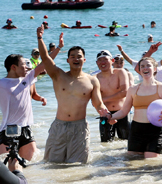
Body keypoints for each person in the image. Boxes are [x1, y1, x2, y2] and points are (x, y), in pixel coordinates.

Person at [37, 26, 110, 163]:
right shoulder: (58, 76)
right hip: (59, 127)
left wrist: (105, 113)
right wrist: (40, 38)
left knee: (77, 166)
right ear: (68, 60)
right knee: (52, 165)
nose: (76, 59)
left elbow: (98, 103)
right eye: (72, 57)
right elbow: (45, 58)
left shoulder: (92, 80)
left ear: (84, 60)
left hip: (80, 128)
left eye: (79, 57)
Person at [109, 57, 162, 158]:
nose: (145, 68)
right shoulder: (133, 89)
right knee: (132, 164)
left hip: (155, 131)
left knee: (150, 165)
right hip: (136, 131)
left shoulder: (161, 87)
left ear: (155, 68)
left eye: (148, 65)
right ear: (139, 70)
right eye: (142, 66)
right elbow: (124, 111)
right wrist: (110, 116)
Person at [1, 53, 53, 171]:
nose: (27, 67)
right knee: (5, 168)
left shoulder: (28, 78)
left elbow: (45, 61)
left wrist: (58, 47)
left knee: (30, 167)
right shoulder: (1, 84)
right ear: (13, 67)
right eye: (23, 65)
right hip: (7, 131)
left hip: (25, 129)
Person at [94, 50, 130, 142]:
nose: (103, 62)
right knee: (106, 144)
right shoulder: (95, 78)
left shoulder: (120, 72)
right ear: (96, 63)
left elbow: (125, 92)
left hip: (122, 113)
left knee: (126, 141)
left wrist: (104, 99)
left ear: (112, 60)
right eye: (100, 60)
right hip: (104, 115)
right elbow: (94, 100)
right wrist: (106, 115)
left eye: (105, 59)